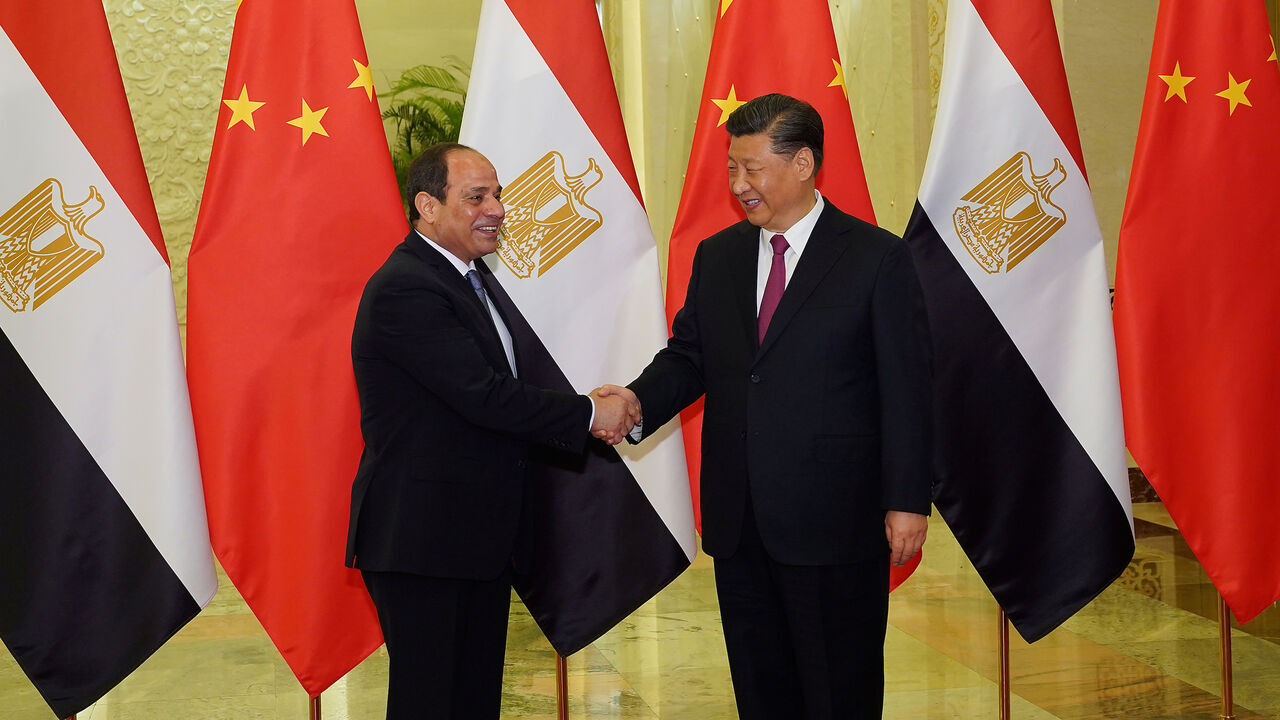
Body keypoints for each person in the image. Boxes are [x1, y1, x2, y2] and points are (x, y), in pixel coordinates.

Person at [597, 94, 933, 719]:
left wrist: (907, 499)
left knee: (838, 693)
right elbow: (691, 357)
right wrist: (637, 400)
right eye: (732, 168)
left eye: (752, 168)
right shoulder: (719, 255)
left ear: (803, 163)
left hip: (836, 522)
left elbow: (907, 389)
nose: (738, 185)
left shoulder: (876, 258)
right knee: (761, 693)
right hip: (741, 522)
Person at [346, 142, 638, 720]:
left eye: (497, 195)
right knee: (431, 703)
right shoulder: (408, 287)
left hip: (475, 538)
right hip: (424, 541)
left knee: (473, 699)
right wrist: (588, 414)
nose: (498, 209)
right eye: (476, 197)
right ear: (428, 206)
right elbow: (483, 396)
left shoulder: (469, 278)